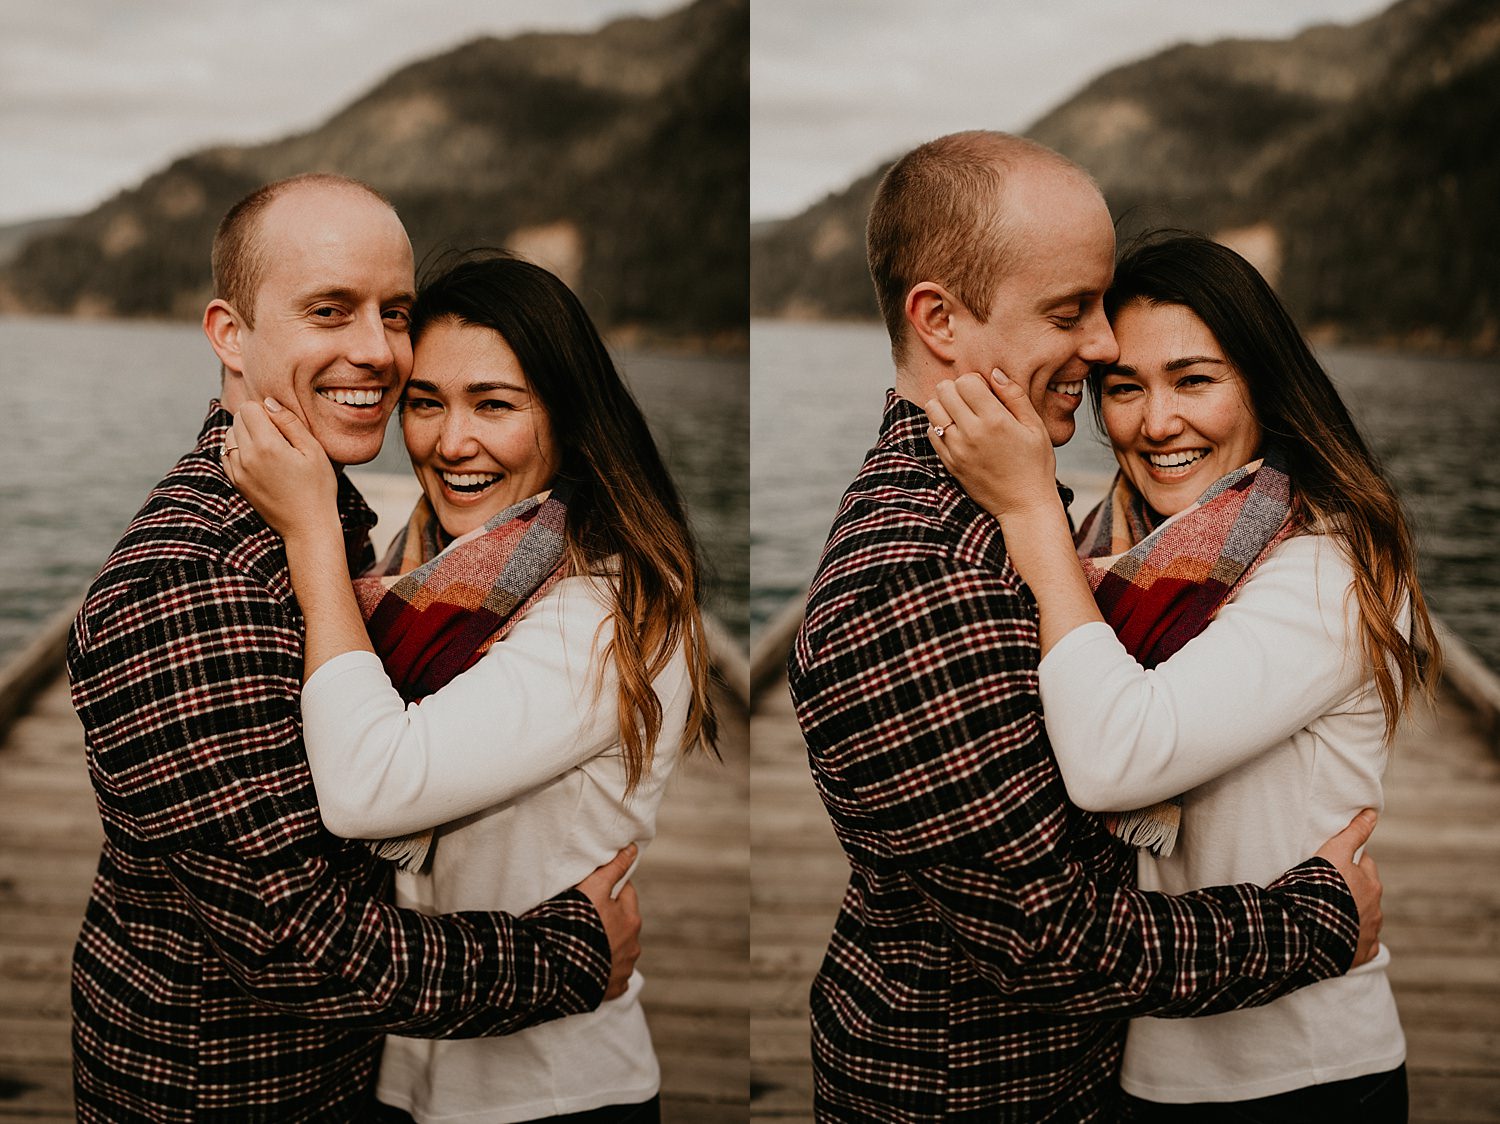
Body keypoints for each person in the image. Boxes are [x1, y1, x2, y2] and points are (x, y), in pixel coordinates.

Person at [785, 130, 1384, 1122]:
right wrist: (1318, 915)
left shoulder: (1025, 521)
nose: (1106, 348)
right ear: (938, 318)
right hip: (970, 1093)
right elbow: (1053, 936)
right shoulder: (918, 572)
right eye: (1072, 311)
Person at [66, 175, 642, 1122]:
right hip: (219, 1090)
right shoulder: (193, 583)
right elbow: (295, 944)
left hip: (327, 1079)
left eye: (395, 313)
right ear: (230, 334)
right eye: (329, 311)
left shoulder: (319, 522)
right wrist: (571, 950)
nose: (376, 351)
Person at [925, 232, 1435, 1122]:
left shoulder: (1331, 566)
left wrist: (1028, 510)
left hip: (1295, 1072)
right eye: (1125, 388)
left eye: (1194, 380)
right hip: (1144, 1054)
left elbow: (1115, 759)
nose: (1156, 422)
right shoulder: (1119, 557)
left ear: (1263, 385)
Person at [223, 252, 718, 1123]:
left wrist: (308, 534)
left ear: (566, 415)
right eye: (426, 403)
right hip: (403, 1067)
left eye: (494, 404)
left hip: (545, 1091)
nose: (451, 443)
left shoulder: (608, 611)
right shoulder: (427, 573)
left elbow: (367, 784)